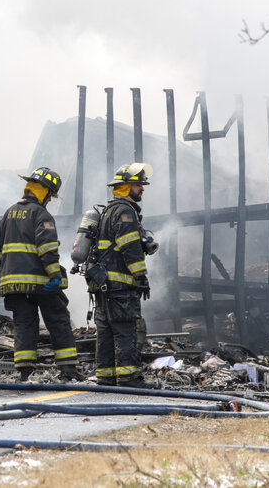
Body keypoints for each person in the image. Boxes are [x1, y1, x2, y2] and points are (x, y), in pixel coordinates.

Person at [0, 166, 80, 381]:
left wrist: (7, 272)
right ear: (43, 192)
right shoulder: (41, 214)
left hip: (12, 284)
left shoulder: (8, 213)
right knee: (58, 320)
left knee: (23, 324)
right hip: (41, 283)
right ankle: (68, 369)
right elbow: (47, 248)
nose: (49, 201)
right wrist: (55, 276)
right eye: (49, 196)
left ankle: (24, 371)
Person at [86, 162, 156, 388]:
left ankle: (106, 377)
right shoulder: (125, 212)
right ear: (126, 187)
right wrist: (141, 276)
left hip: (103, 284)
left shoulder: (108, 210)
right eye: (138, 185)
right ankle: (129, 378)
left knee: (105, 331)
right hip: (119, 285)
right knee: (126, 328)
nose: (142, 189)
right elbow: (130, 248)